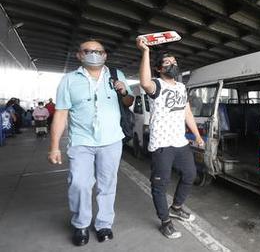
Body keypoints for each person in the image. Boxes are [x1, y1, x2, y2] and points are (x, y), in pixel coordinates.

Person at [47, 39, 134, 246]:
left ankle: (104, 224)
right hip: (81, 141)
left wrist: (123, 91)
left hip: (111, 140)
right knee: (79, 184)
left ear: (105, 55)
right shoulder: (68, 80)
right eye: (88, 51)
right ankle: (81, 224)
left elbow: (129, 102)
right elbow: (60, 114)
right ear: (79, 55)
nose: (94, 54)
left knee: (107, 184)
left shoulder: (116, 75)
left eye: (98, 51)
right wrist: (54, 146)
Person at [137, 37, 204, 239]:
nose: (172, 65)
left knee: (190, 174)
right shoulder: (157, 84)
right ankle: (165, 221)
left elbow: (187, 113)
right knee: (160, 184)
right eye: (167, 63)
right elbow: (144, 82)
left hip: (180, 141)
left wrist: (198, 136)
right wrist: (145, 52)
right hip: (162, 144)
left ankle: (176, 207)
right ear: (158, 69)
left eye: (174, 62)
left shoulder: (181, 87)